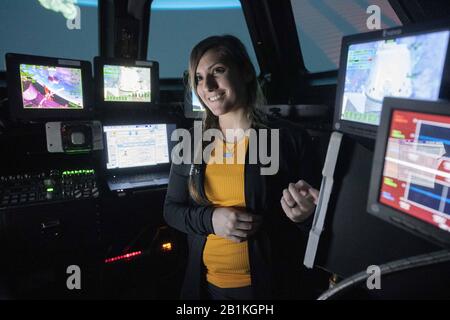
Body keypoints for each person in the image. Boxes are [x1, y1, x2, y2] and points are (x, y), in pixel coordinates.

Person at [164, 35, 320, 300]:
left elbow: (320, 223)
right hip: (205, 289)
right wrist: (210, 220)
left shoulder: (290, 139)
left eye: (218, 71)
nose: (208, 86)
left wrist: (306, 217)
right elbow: (171, 210)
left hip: (271, 289)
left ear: (246, 72)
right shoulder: (192, 142)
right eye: (199, 78)